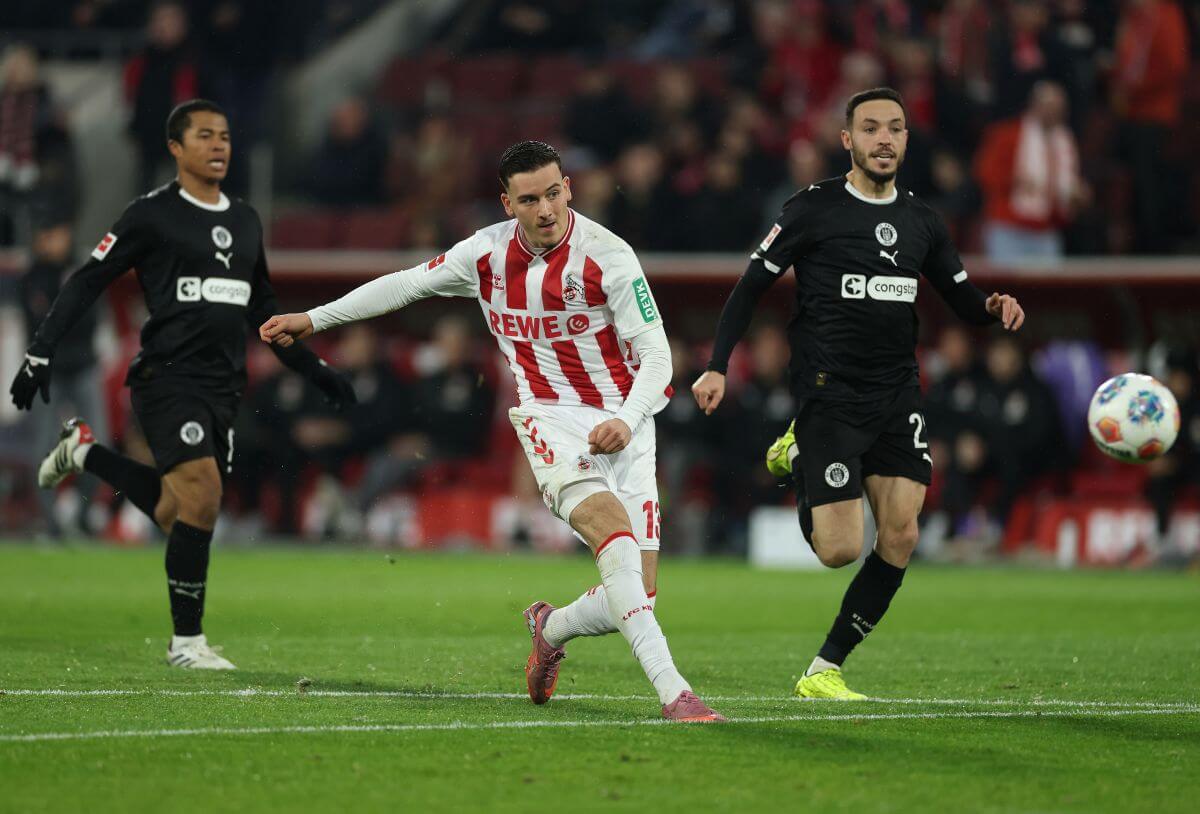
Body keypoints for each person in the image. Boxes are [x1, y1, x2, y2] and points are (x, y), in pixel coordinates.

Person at [261, 140, 725, 723]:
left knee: (635, 594)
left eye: (554, 193)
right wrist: (313, 319)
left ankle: (550, 627)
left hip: (626, 421)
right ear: (508, 203)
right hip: (551, 420)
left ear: (568, 189)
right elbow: (404, 284)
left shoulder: (609, 256)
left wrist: (626, 420)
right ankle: (675, 693)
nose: (546, 209)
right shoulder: (483, 255)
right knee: (615, 539)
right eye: (529, 199)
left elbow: (657, 357)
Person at [691, 88, 1025, 699]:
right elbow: (748, 288)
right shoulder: (811, 209)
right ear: (847, 140)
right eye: (870, 128)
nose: (884, 139)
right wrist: (717, 365)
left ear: (905, 140)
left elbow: (960, 296)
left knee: (901, 536)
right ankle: (798, 455)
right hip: (829, 394)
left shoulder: (923, 220)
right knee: (841, 549)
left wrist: (991, 307)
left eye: (894, 128)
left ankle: (824, 669)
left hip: (896, 395)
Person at [9, 99, 355, 670]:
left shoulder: (245, 220)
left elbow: (263, 313)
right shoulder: (151, 214)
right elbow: (87, 279)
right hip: (167, 377)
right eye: (204, 136)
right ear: (175, 148)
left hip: (223, 388)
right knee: (203, 494)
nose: (219, 145)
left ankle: (86, 453)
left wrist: (316, 370)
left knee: (180, 511)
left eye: (224, 135)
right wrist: (40, 350)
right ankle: (186, 643)